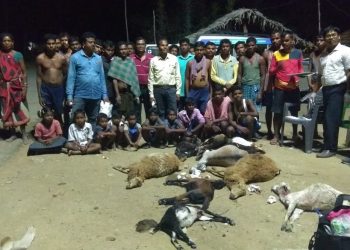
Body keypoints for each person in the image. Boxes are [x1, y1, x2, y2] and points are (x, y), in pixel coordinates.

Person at [317, 26, 350, 158]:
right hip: (326, 89)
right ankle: (327, 145)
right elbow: (321, 74)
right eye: (328, 36)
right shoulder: (324, 54)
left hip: (338, 88)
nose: (330, 37)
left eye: (333, 34)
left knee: (332, 119)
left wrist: (346, 89)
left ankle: (331, 148)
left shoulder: (345, 51)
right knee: (326, 119)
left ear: (339, 36)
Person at [66, 32, 109, 129]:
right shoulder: (75, 57)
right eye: (90, 42)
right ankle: (74, 140)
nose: (93, 44)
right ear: (83, 44)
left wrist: (105, 94)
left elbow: (101, 77)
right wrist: (69, 96)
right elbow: (71, 78)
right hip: (80, 95)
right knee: (75, 119)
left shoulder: (98, 58)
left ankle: (91, 140)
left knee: (93, 119)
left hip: (95, 95)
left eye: (94, 42)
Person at [269, 31, 303, 145]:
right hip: (280, 87)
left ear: (293, 41)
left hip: (294, 87)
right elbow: (271, 71)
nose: (284, 43)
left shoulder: (298, 53)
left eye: (287, 40)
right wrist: (278, 66)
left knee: (294, 112)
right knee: (277, 112)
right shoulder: (276, 54)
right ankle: (276, 135)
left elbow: (300, 69)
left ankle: (294, 134)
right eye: (283, 41)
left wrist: (298, 78)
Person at [0, 33, 30, 143]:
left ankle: (24, 133)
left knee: (20, 108)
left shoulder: (18, 55)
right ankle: (12, 133)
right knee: (7, 109)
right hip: (3, 87)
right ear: (1, 43)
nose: (7, 43)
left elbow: (24, 72)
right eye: (4, 41)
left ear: (13, 42)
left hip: (16, 86)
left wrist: (24, 87)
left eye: (9, 41)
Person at [36, 33, 67, 124]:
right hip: (46, 88)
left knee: (58, 111)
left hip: (59, 88)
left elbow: (65, 74)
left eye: (53, 43)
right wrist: (39, 96)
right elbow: (38, 77)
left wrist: (64, 89)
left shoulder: (62, 58)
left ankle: (59, 128)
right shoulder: (40, 58)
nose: (51, 46)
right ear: (45, 45)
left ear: (56, 44)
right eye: (49, 44)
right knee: (47, 110)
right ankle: (48, 130)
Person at [148, 38, 181, 120]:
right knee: (160, 112)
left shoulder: (174, 59)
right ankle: (162, 131)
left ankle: (173, 131)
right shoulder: (153, 60)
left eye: (166, 45)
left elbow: (178, 76)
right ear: (158, 47)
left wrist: (178, 91)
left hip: (171, 89)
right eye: (162, 45)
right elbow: (150, 79)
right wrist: (151, 94)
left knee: (172, 111)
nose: (165, 47)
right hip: (158, 90)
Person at [108, 41, 140, 117]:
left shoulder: (130, 61)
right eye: (121, 49)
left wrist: (136, 94)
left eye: (125, 49)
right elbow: (114, 79)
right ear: (118, 50)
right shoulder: (115, 61)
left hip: (129, 93)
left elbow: (134, 78)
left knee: (130, 115)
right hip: (120, 93)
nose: (123, 51)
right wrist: (117, 95)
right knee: (120, 115)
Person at [237, 36, 266, 113]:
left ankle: (256, 124)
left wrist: (260, 92)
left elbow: (263, 76)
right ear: (246, 46)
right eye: (249, 45)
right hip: (245, 86)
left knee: (256, 109)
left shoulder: (260, 59)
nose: (250, 47)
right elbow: (239, 74)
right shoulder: (242, 58)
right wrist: (239, 88)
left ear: (256, 46)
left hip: (255, 87)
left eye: (252, 45)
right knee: (245, 108)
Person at [262, 31, 282, 139]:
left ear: (281, 38)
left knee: (279, 110)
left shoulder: (287, 51)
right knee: (269, 109)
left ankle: (277, 133)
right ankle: (269, 131)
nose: (275, 40)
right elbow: (265, 71)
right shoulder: (266, 52)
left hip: (282, 85)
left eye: (277, 38)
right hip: (269, 85)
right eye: (273, 39)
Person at [130, 37, 153, 123]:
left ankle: (149, 128)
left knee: (149, 109)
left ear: (145, 45)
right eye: (138, 44)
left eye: (142, 44)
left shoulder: (151, 58)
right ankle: (138, 127)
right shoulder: (131, 58)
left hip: (147, 87)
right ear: (135, 46)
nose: (140, 46)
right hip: (136, 88)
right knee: (136, 109)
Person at [185, 41, 211, 114]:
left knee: (203, 110)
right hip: (193, 91)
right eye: (197, 50)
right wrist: (187, 94)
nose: (199, 52)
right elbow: (187, 79)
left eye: (201, 50)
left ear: (204, 50)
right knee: (192, 111)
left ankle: (202, 125)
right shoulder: (190, 63)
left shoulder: (208, 62)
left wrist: (210, 93)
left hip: (204, 91)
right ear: (194, 51)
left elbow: (210, 79)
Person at [177, 38, 194, 111]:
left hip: (191, 90)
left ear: (189, 46)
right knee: (180, 112)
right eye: (182, 45)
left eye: (185, 45)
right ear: (180, 47)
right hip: (180, 91)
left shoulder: (194, 58)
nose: (184, 47)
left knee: (192, 111)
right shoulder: (176, 59)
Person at [101, 40, 116, 112]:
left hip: (113, 91)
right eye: (108, 50)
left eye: (112, 50)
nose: (110, 52)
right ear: (103, 50)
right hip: (104, 92)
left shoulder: (114, 60)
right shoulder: (99, 60)